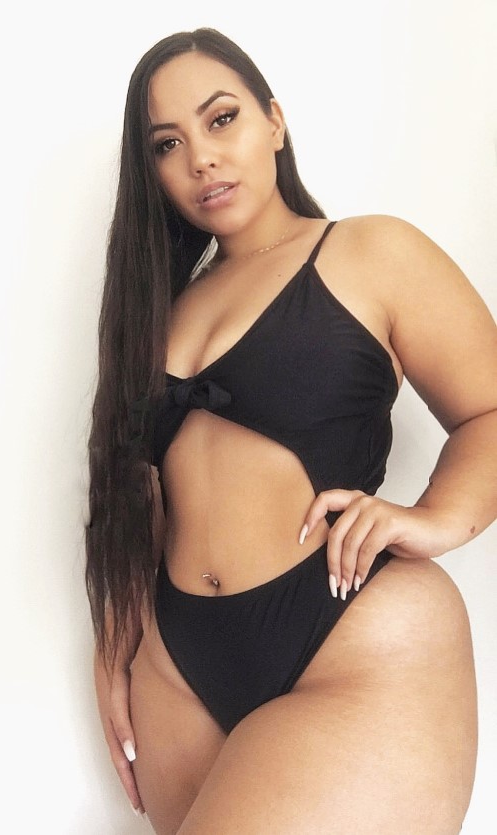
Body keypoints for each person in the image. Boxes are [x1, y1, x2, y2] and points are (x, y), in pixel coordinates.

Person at [84, 27, 497, 834]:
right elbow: (137, 491)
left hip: (345, 634)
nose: (202, 158)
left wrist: (437, 517)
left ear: (274, 121)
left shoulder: (371, 251)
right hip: (178, 670)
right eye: (168, 144)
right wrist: (115, 638)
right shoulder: (157, 311)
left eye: (222, 119)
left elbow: (489, 408)